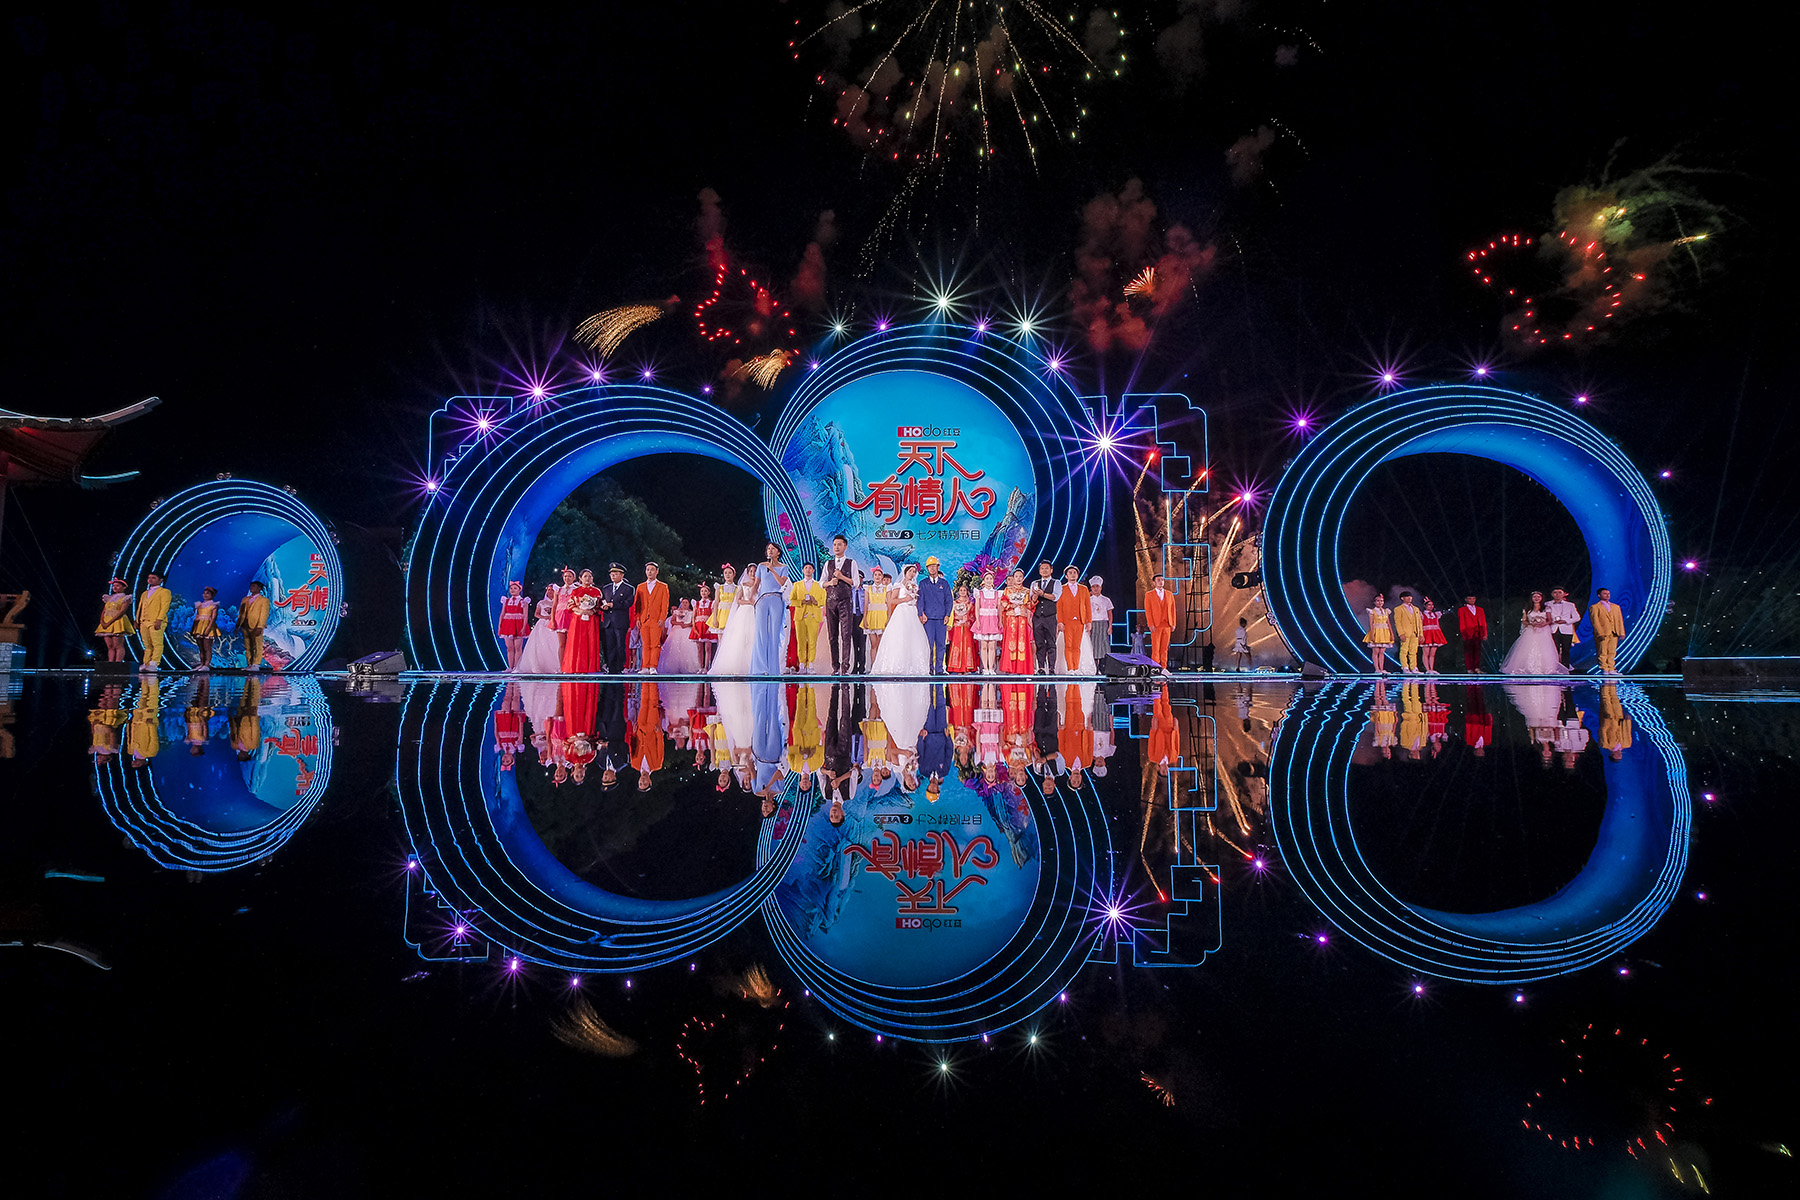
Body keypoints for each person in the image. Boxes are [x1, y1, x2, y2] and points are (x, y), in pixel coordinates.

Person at [869, 563, 930, 675]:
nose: (912, 573)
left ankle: (912, 666)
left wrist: (921, 612)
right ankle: (897, 666)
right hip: (901, 612)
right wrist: (905, 599)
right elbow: (891, 600)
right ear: (905, 572)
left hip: (912, 612)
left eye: (914, 572)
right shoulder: (898, 585)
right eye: (910, 571)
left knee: (913, 638)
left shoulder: (915, 586)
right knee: (900, 637)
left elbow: (917, 601)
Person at [710, 565, 760, 676]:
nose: (752, 573)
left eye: (755, 571)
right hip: (744, 612)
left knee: (753, 638)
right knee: (740, 638)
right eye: (750, 571)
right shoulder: (742, 585)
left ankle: (753, 666)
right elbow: (738, 600)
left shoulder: (760, 586)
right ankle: (738, 665)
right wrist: (749, 602)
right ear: (747, 573)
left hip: (756, 612)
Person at [822, 535, 860, 675]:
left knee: (846, 634)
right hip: (831, 601)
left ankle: (845, 666)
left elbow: (856, 582)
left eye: (839, 544)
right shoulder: (828, 563)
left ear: (845, 546)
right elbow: (821, 583)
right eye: (834, 545)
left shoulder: (851, 563)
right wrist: (830, 583)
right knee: (833, 635)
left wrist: (841, 577)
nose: (836, 547)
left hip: (845, 601)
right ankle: (835, 666)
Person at [750, 542, 790, 675]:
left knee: (774, 634)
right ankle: (760, 668)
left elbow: (782, 582)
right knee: (761, 633)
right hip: (762, 599)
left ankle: (773, 668)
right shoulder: (761, 566)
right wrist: (752, 598)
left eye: (773, 549)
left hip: (776, 599)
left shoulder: (784, 567)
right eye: (768, 548)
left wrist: (772, 569)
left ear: (778, 552)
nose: (770, 550)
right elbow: (756, 584)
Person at [1501, 591, 1561, 676]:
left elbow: (1550, 620)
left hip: (1543, 630)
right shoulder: (1528, 609)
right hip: (1531, 630)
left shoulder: (1546, 608)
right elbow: (1524, 621)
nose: (1536, 598)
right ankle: (1526, 667)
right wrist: (1531, 624)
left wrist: (1543, 624)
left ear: (1541, 598)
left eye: (1538, 597)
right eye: (1534, 597)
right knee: (1528, 647)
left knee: (1544, 648)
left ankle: (1545, 668)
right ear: (1531, 598)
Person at [915, 556, 953, 674]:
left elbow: (949, 600)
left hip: (941, 619)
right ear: (927, 568)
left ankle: (939, 669)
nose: (932, 568)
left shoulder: (944, 583)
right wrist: (921, 613)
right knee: (929, 645)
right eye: (929, 566)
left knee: (941, 645)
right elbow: (920, 600)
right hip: (928, 619)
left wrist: (947, 615)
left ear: (938, 567)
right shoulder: (923, 583)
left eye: (934, 566)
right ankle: (930, 669)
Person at [562, 568, 604, 673]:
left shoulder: (597, 591)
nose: (588, 578)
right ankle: (575, 667)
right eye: (585, 576)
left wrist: (593, 611)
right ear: (580, 578)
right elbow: (570, 605)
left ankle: (590, 667)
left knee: (590, 642)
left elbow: (600, 606)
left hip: (591, 620)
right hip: (578, 620)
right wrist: (580, 610)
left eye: (590, 576)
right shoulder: (575, 591)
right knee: (577, 642)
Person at [789, 561, 826, 671]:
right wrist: (801, 602)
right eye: (806, 568)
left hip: (813, 616)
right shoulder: (797, 585)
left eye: (810, 568)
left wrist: (815, 602)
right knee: (800, 641)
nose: (808, 570)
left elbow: (824, 600)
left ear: (813, 570)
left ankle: (810, 664)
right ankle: (801, 664)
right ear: (803, 570)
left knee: (812, 641)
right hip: (800, 616)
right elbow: (791, 600)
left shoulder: (819, 585)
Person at [518, 583, 563, 674]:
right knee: (540, 644)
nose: (550, 592)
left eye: (552, 590)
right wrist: (544, 617)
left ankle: (556, 666)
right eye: (548, 590)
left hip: (554, 624)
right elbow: (536, 614)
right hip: (542, 625)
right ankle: (539, 666)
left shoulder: (559, 602)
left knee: (554, 645)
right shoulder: (541, 603)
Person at [634, 562, 670, 673]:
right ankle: (645, 667)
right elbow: (637, 605)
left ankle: (653, 666)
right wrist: (638, 618)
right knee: (645, 644)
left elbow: (665, 604)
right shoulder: (640, 587)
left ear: (657, 572)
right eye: (648, 569)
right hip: (644, 618)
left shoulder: (663, 586)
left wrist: (662, 618)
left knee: (655, 644)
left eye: (652, 570)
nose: (649, 572)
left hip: (656, 619)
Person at [1055, 566, 1092, 673]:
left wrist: (1089, 621)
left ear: (1077, 575)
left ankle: (1076, 668)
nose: (1072, 575)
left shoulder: (1084, 589)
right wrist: (1060, 621)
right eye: (1070, 573)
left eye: (1074, 572)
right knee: (1068, 645)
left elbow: (1088, 606)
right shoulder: (1062, 589)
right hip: (1067, 621)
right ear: (1066, 576)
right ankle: (1070, 668)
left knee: (1077, 646)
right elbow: (1059, 607)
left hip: (1080, 621)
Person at [598, 564, 632, 673]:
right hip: (608, 621)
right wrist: (603, 607)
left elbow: (628, 603)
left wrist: (614, 605)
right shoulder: (606, 588)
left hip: (620, 620)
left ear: (622, 575)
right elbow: (603, 600)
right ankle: (610, 666)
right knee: (609, 645)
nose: (613, 576)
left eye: (616, 574)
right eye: (612, 574)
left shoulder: (628, 588)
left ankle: (619, 667)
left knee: (620, 644)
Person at [1029, 561, 1060, 674]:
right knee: (1039, 643)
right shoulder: (1034, 583)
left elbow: (1055, 597)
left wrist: (1042, 594)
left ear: (1051, 570)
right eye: (1042, 568)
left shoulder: (1056, 582)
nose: (1044, 570)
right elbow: (1032, 600)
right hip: (1038, 617)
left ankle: (1052, 668)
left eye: (1046, 568)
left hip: (1050, 617)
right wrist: (1036, 595)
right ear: (1039, 571)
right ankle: (1041, 668)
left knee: (1051, 643)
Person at [136, 572, 171, 671]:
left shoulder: (164, 592)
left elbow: (165, 607)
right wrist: (137, 619)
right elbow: (140, 607)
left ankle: (154, 663)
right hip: (144, 621)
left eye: (153, 578)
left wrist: (159, 619)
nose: (150, 580)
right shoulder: (145, 593)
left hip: (155, 620)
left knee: (157, 643)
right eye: (149, 578)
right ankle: (146, 662)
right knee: (147, 644)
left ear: (160, 580)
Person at [95, 577, 135, 662]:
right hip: (106, 620)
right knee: (110, 646)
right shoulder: (109, 598)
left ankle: (118, 663)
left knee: (118, 645)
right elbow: (104, 610)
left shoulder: (125, 598)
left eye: (117, 586)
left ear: (124, 587)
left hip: (117, 621)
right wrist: (102, 621)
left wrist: (110, 622)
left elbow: (122, 611)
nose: (115, 587)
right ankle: (110, 662)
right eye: (114, 586)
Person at [1000, 568, 1033, 674]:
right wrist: (1011, 605)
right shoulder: (1008, 590)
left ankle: (1021, 668)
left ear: (1023, 578)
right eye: (1016, 576)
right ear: (1013, 578)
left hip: (1022, 618)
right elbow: (1003, 602)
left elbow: (1030, 605)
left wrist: (1029, 602)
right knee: (1011, 641)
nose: (1018, 578)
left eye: (1020, 576)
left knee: (1022, 641)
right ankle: (1010, 667)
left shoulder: (1027, 591)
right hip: (1011, 618)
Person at [1588, 587, 1626, 674]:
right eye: (1605, 594)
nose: (1607, 595)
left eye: (1608, 593)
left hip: (1614, 632)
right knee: (1602, 651)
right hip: (1603, 633)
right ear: (1599, 595)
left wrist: (1621, 632)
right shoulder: (1595, 607)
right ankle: (1604, 668)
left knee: (1612, 651)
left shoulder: (1616, 607)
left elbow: (1619, 620)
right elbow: (1595, 621)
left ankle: (1611, 668)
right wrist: (1599, 633)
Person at [973, 568, 1003, 674]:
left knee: (992, 646)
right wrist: (978, 621)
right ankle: (985, 668)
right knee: (984, 645)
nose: (989, 580)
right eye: (987, 578)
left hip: (993, 620)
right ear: (984, 580)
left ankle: (991, 668)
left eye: (991, 578)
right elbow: (977, 608)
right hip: (983, 620)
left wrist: (1000, 621)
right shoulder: (979, 593)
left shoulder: (997, 593)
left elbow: (999, 608)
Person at [1144, 574, 1177, 671]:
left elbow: (1172, 610)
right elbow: (1148, 611)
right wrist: (1150, 624)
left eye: (1162, 580)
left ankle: (1164, 668)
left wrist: (1173, 623)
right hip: (1156, 625)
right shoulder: (1149, 595)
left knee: (1165, 648)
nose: (1161, 582)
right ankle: (1155, 668)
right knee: (1156, 648)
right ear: (1154, 583)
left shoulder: (1169, 594)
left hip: (1167, 624)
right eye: (1158, 580)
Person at [497, 580, 530, 670]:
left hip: (518, 624)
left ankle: (517, 667)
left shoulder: (523, 601)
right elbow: (502, 614)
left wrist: (523, 627)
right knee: (509, 648)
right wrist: (500, 625)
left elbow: (525, 615)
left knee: (518, 647)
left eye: (515, 588)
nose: (512, 590)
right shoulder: (506, 601)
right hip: (507, 625)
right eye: (511, 588)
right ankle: (510, 667)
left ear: (519, 590)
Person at [189, 587, 224, 670]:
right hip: (199, 627)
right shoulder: (200, 605)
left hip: (208, 626)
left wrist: (208, 628)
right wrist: (194, 628)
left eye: (208, 593)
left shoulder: (214, 605)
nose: (205, 595)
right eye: (204, 593)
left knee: (207, 647)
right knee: (201, 648)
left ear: (212, 595)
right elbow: (197, 617)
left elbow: (213, 618)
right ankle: (202, 663)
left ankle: (207, 665)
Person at [238, 581, 270, 671]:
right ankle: (249, 664)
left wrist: (260, 626)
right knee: (248, 645)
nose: (251, 587)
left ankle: (256, 664)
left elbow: (264, 614)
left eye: (254, 586)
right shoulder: (245, 599)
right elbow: (242, 612)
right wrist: (239, 624)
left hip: (256, 625)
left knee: (257, 645)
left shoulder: (264, 600)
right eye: (251, 586)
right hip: (245, 625)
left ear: (259, 588)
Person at [1547, 587, 1581, 670]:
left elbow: (1577, 617)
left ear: (1564, 594)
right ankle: (1554, 668)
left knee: (1566, 650)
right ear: (1552, 594)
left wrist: (1565, 621)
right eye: (1555, 592)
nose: (1557, 594)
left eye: (1560, 592)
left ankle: (1565, 668)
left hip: (1566, 630)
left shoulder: (1570, 605)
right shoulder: (1547, 604)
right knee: (1554, 650)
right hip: (1553, 629)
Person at [947, 585, 977, 673]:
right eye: (961, 590)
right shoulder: (954, 603)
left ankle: (967, 667)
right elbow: (951, 615)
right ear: (958, 592)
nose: (963, 592)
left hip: (967, 627)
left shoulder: (970, 604)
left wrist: (967, 618)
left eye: (964, 590)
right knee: (957, 645)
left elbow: (973, 616)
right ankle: (957, 667)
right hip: (957, 627)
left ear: (967, 591)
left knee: (968, 645)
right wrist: (957, 618)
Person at [862, 569, 889, 663]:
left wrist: (888, 618)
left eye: (879, 575)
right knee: (873, 645)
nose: (877, 577)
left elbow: (889, 604)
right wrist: (864, 618)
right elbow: (866, 604)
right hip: (872, 616)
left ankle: (880, 665)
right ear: (873, 576)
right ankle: (873, 666)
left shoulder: (886, 589)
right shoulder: (868, 588)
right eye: (875, 575)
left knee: (880, 644)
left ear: (882, 576)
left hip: (882, 616)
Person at [1364, 592, 1394, 674]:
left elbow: (1388, 623)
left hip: (1384, 632)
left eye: (1381, 601)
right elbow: (1371, 623)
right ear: (1374, 602)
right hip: (1376, 631)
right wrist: (1372, 634)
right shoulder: (1372, 611)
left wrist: (1391, 634)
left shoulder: (1386, 611)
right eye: (1378, 601)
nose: (1380, 602)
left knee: (1382, 652)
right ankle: (1377, 669)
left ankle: (1382, 668)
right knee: (1376, 651)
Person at [1458, 595, 1488, 673]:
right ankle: (1470, 668)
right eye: (1470, 599)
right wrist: (1463, 633)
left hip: (1478, 632)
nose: (1472, 600)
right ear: (1466, 599)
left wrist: (1485, 633)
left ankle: (1477, 668)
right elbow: (1462, 622)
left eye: (1473, 598)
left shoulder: (1480, 609)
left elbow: (1483, 622)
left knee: (1478, 651)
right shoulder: (1462, 610)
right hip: (1468, 633)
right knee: (1468, 651)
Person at [1087, 575, 1112, 664]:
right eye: (1093, 587)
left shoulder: (1106, 600)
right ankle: (1094, 666)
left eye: (1097, 586)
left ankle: (1103, 665)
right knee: (1093, 644)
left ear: (1101, 588)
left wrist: (1110, 626)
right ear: (1091, 588)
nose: (1095, 589)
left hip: (1103, 624)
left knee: (1103, 644)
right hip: (1092, 624)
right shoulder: (1088, 600)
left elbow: (1110, 613)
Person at [553, 566, 578, 654]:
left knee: (572, 643)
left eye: (569, 576)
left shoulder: (576, 590)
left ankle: (571, 662)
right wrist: (552, 620)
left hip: (572, 616)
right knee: (561, 644)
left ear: (574, 578)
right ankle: (561, 663)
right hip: (560, 617)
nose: (567, 578)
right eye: (565, 576)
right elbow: (554, 606)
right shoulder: (559, 590)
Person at [692, 582, 717, 671]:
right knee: (699, 648)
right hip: (699, 627)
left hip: (707, 626)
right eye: (702, 591)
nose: (703, 593)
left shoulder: (711, 603)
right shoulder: (696, 603)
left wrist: (710, 627)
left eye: (705, 591)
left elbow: (713, 615)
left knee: (708, 648)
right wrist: (694, 627)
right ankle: (700, 667)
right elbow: (693, 616)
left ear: (709, 593)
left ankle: (706, 667)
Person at [1419, 596, 1446, 674]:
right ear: (1425, 606)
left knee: (1432, 653)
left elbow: (1438, 624)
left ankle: (1431, 669)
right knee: (1426, 652)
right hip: (1426, 634)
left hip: (1435, 634)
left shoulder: (1436, 614)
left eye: (1432, 605)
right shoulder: (1422, 614)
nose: (1431, 606)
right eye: (1429, 605)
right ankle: (1427, 669)